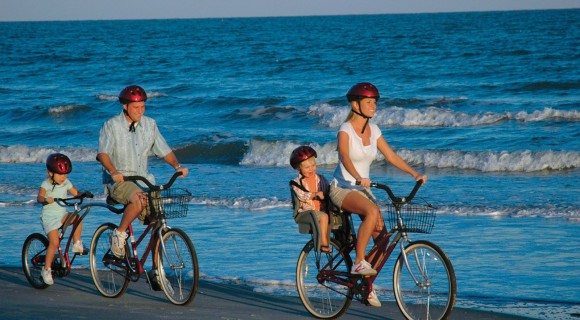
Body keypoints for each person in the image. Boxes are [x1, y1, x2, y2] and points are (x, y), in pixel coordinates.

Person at [329, 82, 428, 307]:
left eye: (375, 102)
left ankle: (365, 285)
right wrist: (356, 176)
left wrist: (414, 174)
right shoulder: (345, 130)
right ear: (356, 105)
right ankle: (358, 262)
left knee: (383, 241)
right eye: (369, 102)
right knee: (372, 210)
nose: (374, 106)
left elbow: (391, 156)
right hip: (343, 187)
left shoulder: (374, 130)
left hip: (363, 189)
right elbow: (344, 156)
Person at [96, 85, 189, 263]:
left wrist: (177, 167)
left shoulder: (150, 124)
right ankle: (119, 234)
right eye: (136, 107)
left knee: (158, 222)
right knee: (139, 199)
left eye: (143, 107)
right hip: (119, 181)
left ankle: (156, 270)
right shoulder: (111, 126)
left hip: (144, 180)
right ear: (125, 106)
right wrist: (114, 172)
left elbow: (164, 150)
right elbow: (103, 154)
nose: (140, 111)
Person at [37, 153, 86, 286]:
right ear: (50, 173)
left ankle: (76, 243)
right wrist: (45, 199)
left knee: (77, 217)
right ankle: (46, 269)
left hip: (62, 214)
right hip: (49, 218)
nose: (64, 177)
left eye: (65, 174)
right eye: (60, 174)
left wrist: (83, 194)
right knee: (54, 243)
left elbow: (76, 193)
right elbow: (39, 197)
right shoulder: (46, 184)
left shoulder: (66, 182)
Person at [290, 146, 331, 253]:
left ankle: (344, 240)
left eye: (313, 165)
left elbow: (328, 190)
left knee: (337, 214)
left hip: (321, 209)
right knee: (324, 217)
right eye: (307, 167)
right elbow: (301, 195)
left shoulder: (321, 179)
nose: (311, 169)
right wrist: (315, 194)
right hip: (306, 212)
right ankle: (323, 242)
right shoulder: (297, 182)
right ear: (299, 168)